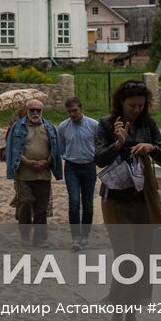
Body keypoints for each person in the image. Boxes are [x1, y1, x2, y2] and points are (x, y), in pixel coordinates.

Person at [94, 79, 161, 321]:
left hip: (142, 199)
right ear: (121, 103)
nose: (137, 109)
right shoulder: (106, 124)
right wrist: (117, 144)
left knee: (144, 260)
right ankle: (116, 318)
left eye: (141, 104)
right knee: (127, 259)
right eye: (132, 105)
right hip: (115, 200)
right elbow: (98, 159)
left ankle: (132, 318)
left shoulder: (148, 124)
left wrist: (151, 148)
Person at [4, 99, 64, 247]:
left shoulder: (49, 127)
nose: (35, 113)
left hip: (43, 174)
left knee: (41, 208)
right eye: (32, 110)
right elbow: (12, 149)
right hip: (23, 174)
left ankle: (40, 239)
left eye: (38, 110)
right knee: (26, 201)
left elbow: (55, 149)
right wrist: (28, 162)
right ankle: (25, 234)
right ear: (26, 111)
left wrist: (48, 161)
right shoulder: (17, 127)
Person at [57, 96, 100, 250]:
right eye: (69, 111)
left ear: (81, 109)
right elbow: (60, 147)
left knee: (88, 203)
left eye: (75, 110)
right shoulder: (63, 127)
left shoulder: (94, 125)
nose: (72, 114)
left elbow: (99, 144)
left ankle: (85, 236)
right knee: (74, 202)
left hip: (89, 166)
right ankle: (75, 236)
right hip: (71, 167)